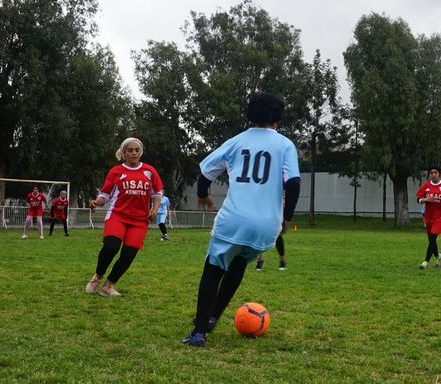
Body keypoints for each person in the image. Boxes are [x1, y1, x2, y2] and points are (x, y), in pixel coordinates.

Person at [182, 92, 300, 346]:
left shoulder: (236, 141)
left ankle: (199, 332)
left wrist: (203, 195)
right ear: (278, 116)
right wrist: (286, 218)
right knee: (239, 264)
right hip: (266, 225)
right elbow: (294, 183)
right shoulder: (285, 145)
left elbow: (205, 172)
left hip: (233, 220)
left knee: (213, 271)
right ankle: (213, 317)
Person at [85, 137, 164, 297]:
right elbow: (105, 194)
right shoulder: (116, 171)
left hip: (139, 220)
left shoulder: (149, 171)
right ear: (124, 153)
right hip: (117, 216)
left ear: (141, 152)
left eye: (137, 150)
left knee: (128, 254)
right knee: (111, 246)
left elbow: (157, 192)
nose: (134, 153)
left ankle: (108, 286)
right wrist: (97, 202)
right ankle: (97, 277)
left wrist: (154, 209)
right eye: (130, 150)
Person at [415, 165, 441, 269]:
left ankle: (425, 261)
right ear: (429, 174)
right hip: (428, 217)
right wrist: (425, 200)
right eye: (431, 173)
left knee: (433, 237)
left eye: (435, 172)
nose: (433, 174)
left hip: (439, 217)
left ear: (439, 174)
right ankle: (438, 256)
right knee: (431, 240)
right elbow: (418, 199)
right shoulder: (426, 186)